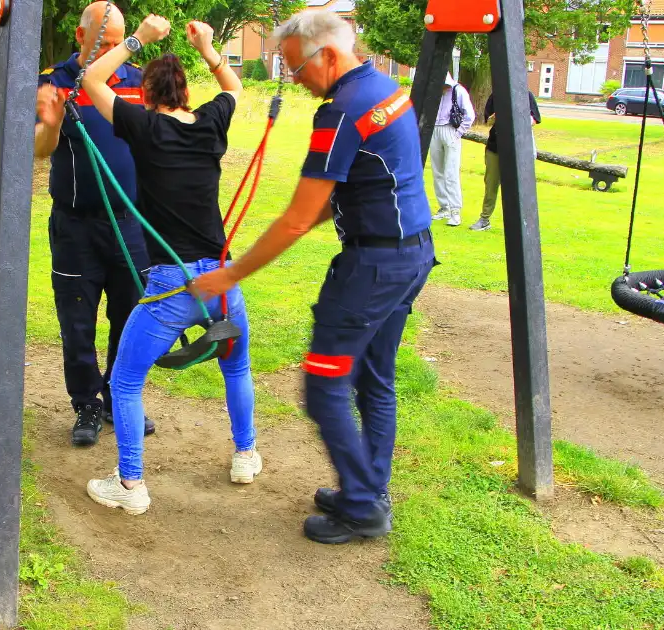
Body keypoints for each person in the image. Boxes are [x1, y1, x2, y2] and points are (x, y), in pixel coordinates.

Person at [192, 10, 435, 544]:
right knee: (374, 377)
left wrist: (228, 275)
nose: (295, 80)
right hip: (411, 255)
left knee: (324, 386)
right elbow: (349, 189)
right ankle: (369, 488)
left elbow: (300, 218)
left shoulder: (342, 112)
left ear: (327, 55)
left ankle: (363, 504)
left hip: (372, 268)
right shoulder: (386, 88)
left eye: (295, 67)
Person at [78, 15, 260, 516]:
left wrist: (138, 38)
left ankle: (131, 485)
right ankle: (246, 455)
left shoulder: (143, 125)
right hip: (222, 280)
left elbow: (92, 78)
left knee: (125, 381)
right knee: (237, 365)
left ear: (147, 95)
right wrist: (209, 49)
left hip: (172, 284)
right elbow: (233, 86)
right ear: (184, 93)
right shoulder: (209, 122)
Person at [35, 2, 156, 447]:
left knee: (130, 319)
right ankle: (87, 405)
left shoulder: (138, 81)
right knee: (78, 320)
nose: (113, 51)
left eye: (119, 41)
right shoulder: (56, 80)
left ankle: (120, 398)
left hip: (131, 224)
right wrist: (50, 123)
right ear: (79, 36)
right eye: (104, 42)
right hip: (76, 226)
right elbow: (41, 148)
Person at [470, 90, 541, 231]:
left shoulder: (526, 94)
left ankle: (520, 223)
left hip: (518, 149)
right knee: (491, 184)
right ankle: (485, 219)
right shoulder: (496, 94)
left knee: (516, 187)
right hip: (495, 147)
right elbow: (488, 120)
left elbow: (535, 119)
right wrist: (497, 117)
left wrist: (516, 117)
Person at [429, 74, 475, 227]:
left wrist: (458, 132)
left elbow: (470, 114)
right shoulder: (435, 90)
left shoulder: (458, 91)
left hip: (450, 130)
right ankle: (444, 207)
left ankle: (455, 211)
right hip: (435, 129)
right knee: (438, 171)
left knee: (451, 173)